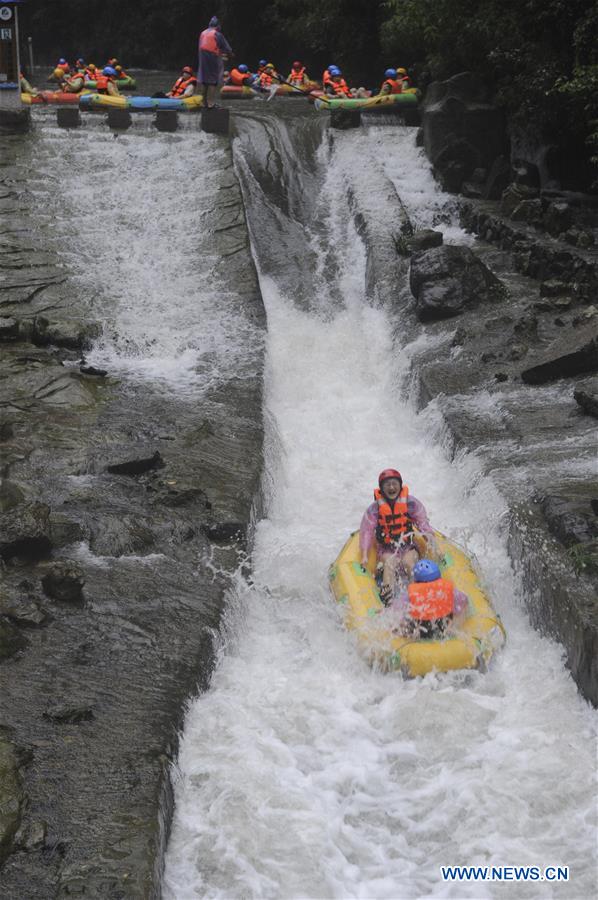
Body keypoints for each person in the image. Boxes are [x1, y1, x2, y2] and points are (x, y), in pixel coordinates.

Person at [359, 469, 438, 602]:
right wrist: (365, 555)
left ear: (400, 485)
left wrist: (429, 538)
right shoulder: (375, 509)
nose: (391, 487)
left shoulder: (410, 503)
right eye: (387, 484)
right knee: (390, 563)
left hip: (408, 546)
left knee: (409, 562)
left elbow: (422, 523)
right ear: (381, 488)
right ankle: (387, 599)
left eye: (394, 483)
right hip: (387, 549)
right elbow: (366, 531)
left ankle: (416, 598)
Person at [390, 559, 468, 639]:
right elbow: (464, 600)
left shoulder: (409, 595)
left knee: (403, 623)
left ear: (415, 581)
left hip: (420, 631)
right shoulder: (450, 591)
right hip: (442, 627)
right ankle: (451, 629)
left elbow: (395, 611)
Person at [198, 15, 232, 109]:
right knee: (213, 81)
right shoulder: (217, 34)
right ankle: (211, 103)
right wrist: (230, 54)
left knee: (205, 80)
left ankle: (203, 102)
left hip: (202, 58)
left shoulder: (203, 33)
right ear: (218, 25)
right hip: (212, 58)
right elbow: (227, 48)